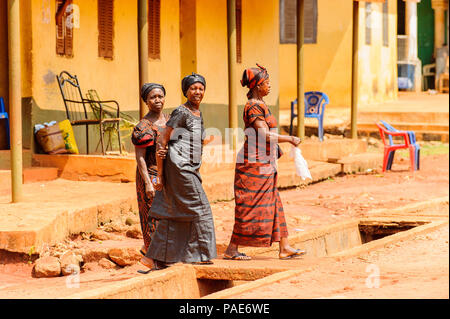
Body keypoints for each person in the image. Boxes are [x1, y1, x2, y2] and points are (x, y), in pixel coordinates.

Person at [224, 64, 306, 261]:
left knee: (274, 202)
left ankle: (284, 247)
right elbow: (263, 135)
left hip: (263, 162)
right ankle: (231, 249)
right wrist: (290, 139)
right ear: (257, 85)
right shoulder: (253, 105)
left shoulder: (260, 104)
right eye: (266, 83)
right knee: (249, 205)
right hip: (253, 164)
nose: (269, 86)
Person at [140, 73, 217, 271]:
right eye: (193, 88)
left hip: (190, 168)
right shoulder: (181, 112)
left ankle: (153, 258)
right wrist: (159, 176)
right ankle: (202, 255)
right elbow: (162, 140)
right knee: (202, 209)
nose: (197, 92)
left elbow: (195, 140)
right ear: (186, 91)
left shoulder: (198, 113)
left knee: (174, 213)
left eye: (200, 88)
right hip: (179, 168)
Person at [132, 83, 169, 259]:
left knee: (168, 214)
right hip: (152, 175)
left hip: (168, 175)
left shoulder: (170, 121)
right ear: (146, 101)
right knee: (152, 215)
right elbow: (140, 157)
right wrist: (148, 183)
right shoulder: (143, 127)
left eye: (160, 96)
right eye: (153, 97)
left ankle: (165, 254)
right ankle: (153, 256)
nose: (157, 100)